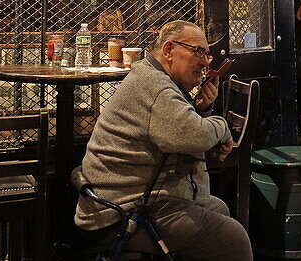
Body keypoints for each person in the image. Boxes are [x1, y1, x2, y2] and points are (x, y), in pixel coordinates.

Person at [75, 19, 253, 261]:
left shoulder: (154, 78)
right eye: (198, 51)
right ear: (169, 50)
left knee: (218, 209)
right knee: (234, 239)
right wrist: (220, 126)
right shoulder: (156, 86)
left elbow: (182, 135)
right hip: (120, 213)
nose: (205, 61)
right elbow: (194, 135)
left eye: (207, 54)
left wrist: (201, 111)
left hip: (133, 198)